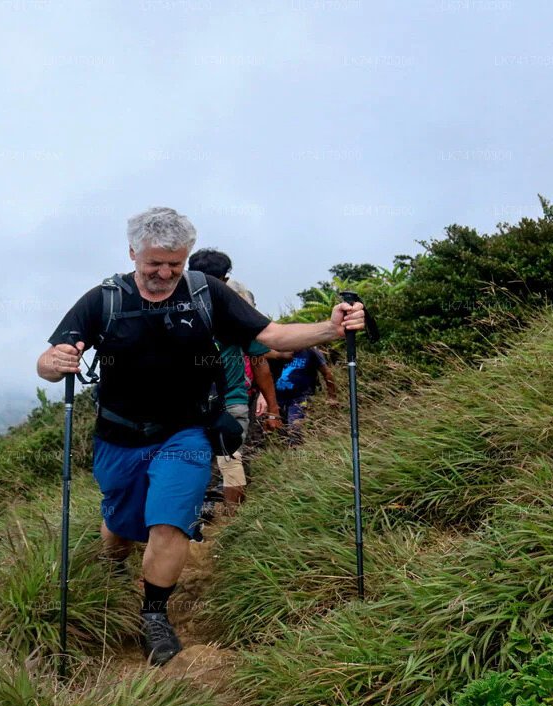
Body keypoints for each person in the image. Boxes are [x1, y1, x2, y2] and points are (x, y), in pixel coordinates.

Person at [37, 207, 364, 666]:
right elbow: (51, 359)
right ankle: (113, 564)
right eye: (154, 263)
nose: (165, 273)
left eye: (175, 262)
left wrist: (331, 327)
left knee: (170, 523)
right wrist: (55, 364)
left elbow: (273, 335)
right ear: (133, 253)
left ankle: (154, 613)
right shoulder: (104, 300)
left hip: (186, 432)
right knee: (121, 524)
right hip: (119, 437)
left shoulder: (206, 293)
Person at [186, 247, 279, 516]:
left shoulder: (177, 310)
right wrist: (273, 409)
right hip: (231, 400)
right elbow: (261, 364)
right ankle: (231, 522)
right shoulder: (236, 315)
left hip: (190, 405)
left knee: (190, 459)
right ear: (225, 279)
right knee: (230, 459)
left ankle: (189, 522)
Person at [270, 346, 338, 445]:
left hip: (300, 397)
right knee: (280, 431)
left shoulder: (310, 351)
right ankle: (286, 454)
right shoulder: (277, 349)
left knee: (295, 428)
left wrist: (332, 397)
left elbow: (326, 373)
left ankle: (296, 451)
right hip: (278, 397)